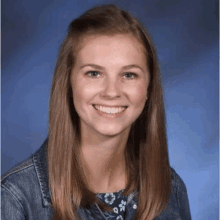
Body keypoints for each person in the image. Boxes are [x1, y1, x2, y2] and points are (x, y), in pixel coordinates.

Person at [1, 4, 192, 220]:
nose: (112, 92)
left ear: (148, 88)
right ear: (68, 83)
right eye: (94, 73)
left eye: (129, 75)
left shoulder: (171, 190)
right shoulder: (15, 198)